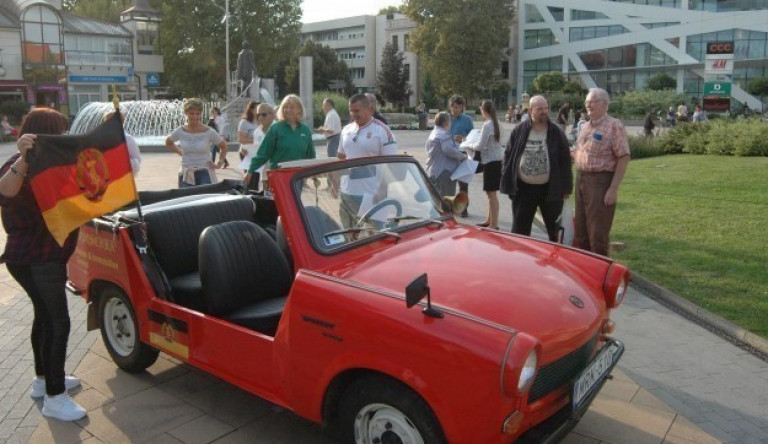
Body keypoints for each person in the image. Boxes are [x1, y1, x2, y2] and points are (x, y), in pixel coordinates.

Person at [0, 108, 87, 421]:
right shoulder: (20, 164)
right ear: (43, 132)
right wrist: (24, 156)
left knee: (44, 317)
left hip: (36, 258)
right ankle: (55, 397)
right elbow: (4, 190)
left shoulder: (52, 164)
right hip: (37, 259)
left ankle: (43, 380)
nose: (62, 138)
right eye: (58, 132)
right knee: (58, 323)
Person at [500, 95, 572, 242]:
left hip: (550, 189)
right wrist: (508, 177)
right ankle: (521, 261)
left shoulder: (556, 132)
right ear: (531, 110)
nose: (544, 112)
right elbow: (508, 155)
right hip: (524, 189)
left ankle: (556, 260)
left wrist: (566, 188)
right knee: (520, 231)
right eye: (540, 109)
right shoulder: (519, 130)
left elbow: (565, 161)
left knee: (555, 231)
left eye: (546, 108)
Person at [572, 88, 630, 256]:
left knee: (597, 233)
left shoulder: (614, 126)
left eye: (593, 101)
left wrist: (613, 189)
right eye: (586, 102)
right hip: (581, 179)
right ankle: (585, 272)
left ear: (605, 104)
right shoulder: (585, 126)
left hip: (600, 182)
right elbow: (583, 151)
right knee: (581, 231)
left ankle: (600, 274)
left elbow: (624, 157)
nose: (588, 105)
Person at [335, 93, 398, 225]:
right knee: (350, 235)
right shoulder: (346, 129)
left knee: (374, 237)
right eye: (351, 111)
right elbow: (340, 158)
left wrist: (381, 191)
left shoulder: (383, 131)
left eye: (357, 111)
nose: (353, 114)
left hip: (372, 196)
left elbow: (391, 166)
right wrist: (335, 181)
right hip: (347, 193)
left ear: (369, 109)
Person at [245, 94, 315, 186]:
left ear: (299, 110)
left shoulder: (305, 130)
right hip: (278, 177)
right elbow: (263, 153)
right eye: (285, 107)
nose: (288, 110)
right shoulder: (275, 129)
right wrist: (250, 171)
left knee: (292, 201)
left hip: (297, 179)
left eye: (292, 107)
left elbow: (310, 155)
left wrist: (314, 175)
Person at [165, 98, 228, 188]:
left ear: (201, 114)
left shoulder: (209, 131)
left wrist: (219, 163)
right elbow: (168, 142)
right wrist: (181, 153)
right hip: (186, 172)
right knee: (186, 200)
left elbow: (224, 146)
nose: (195, 117)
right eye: (191, 113)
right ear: (186, 113)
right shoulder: (180, 131)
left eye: (197, 114)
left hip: (205, 172)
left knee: (204, 201)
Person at [463, 100, 504, 229]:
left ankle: (494, 224)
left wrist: (467, 145)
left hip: (491, 161)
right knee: (490, 193)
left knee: (491, 194)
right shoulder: (498, 124)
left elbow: (480, 146)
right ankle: (489, 220)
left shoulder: (487, 125)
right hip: (496, 160)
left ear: (483, 110)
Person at [425, 111, 467, 197]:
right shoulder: (443, 134)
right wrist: (462, 156)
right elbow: (448, 150)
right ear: (445, 122)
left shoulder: (434, 133)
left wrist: (453, 141)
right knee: (446, 201)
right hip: (444, 172)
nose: (451, 123)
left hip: (434, 171)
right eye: (450, 121)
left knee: (436, 199)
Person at [448, 94, 474, 216]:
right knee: (448, 184)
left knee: (463, 185)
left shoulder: (467, 120)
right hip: (448, 155)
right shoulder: (445, 119)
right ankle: (448, 207)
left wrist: (463, 138)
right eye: (455, 107)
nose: (457, 109)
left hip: (463, 154)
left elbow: (473, 138)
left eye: (459, 107)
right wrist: (451, 138)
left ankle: (463, 209)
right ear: (450, 107)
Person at [241, 103, 274, 190]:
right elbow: (257, 150)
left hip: (276, 171)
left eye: (263, 114)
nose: (260, 117)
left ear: (272, 115)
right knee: (268, 199)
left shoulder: (278, 129)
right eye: (258, 115)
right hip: (264, 173)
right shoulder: (257, 131)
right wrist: (247, 151)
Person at [103, 109, 142, 175]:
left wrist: (121, 161)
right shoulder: (102, 138)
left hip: (123, 175)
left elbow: (137, 160)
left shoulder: (128, 139)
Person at [237, 101, 260, 165]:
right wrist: (258, 141)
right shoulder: (244, 122)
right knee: (251, 174)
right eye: (257, 109)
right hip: (247, 152)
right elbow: (242, 140)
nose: (260, 111)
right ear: (251, 110)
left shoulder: (262, 121)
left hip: (260, 153)